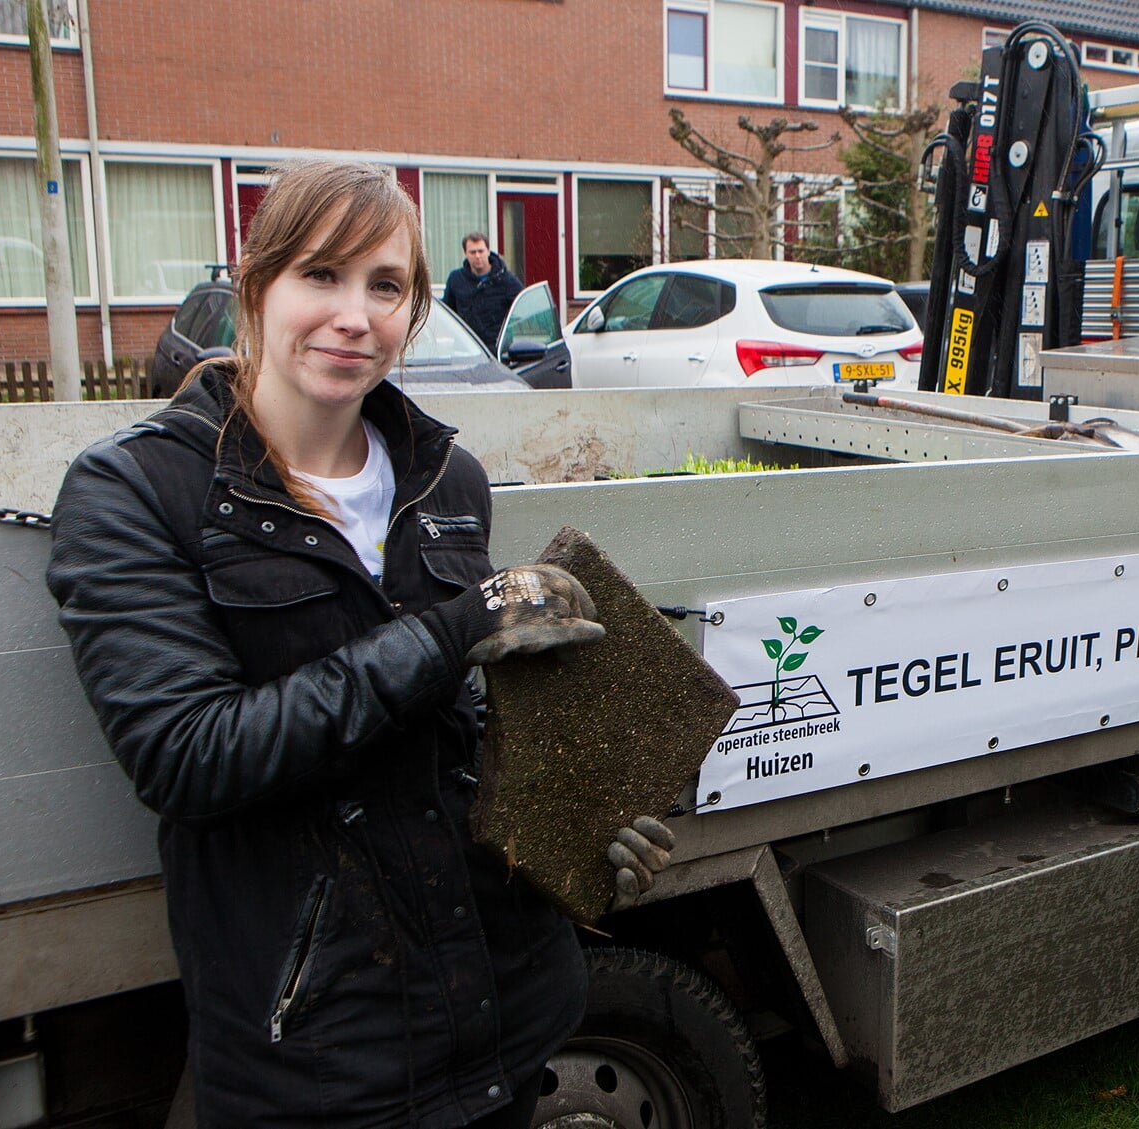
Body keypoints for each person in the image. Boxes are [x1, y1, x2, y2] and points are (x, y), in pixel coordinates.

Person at [46, 159, 676, 1128]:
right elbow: (188, 756)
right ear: (256, 283)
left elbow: (467, 734)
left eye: (385, 286)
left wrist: (581, 825)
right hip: (319, 1059)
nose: (353, 315)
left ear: (414, 310)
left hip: (507, 1021)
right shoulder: (139, 492)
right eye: (320, 275)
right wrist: (452, 630)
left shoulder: (446, 478)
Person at [442, 231, 524, 354]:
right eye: (473, 252)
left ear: (488, 251)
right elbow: (447, 313)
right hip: (465, 350)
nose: (477, 256)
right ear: (465, 253)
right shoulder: (456, 279)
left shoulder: (506, 280)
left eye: (481, 251)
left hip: (497, 351)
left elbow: (522, 309)